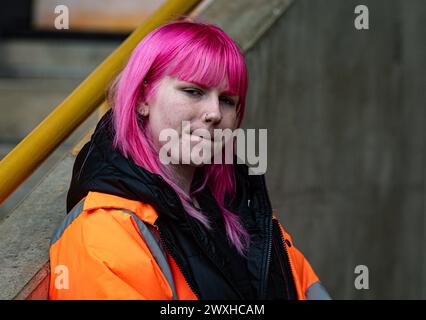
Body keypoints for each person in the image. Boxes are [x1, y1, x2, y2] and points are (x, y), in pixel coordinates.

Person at [49, 20, 330, 300]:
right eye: (193, 91)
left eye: (228, 100)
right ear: (143, 97)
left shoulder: (241, 206)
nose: (214, 113)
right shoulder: (102, 230)